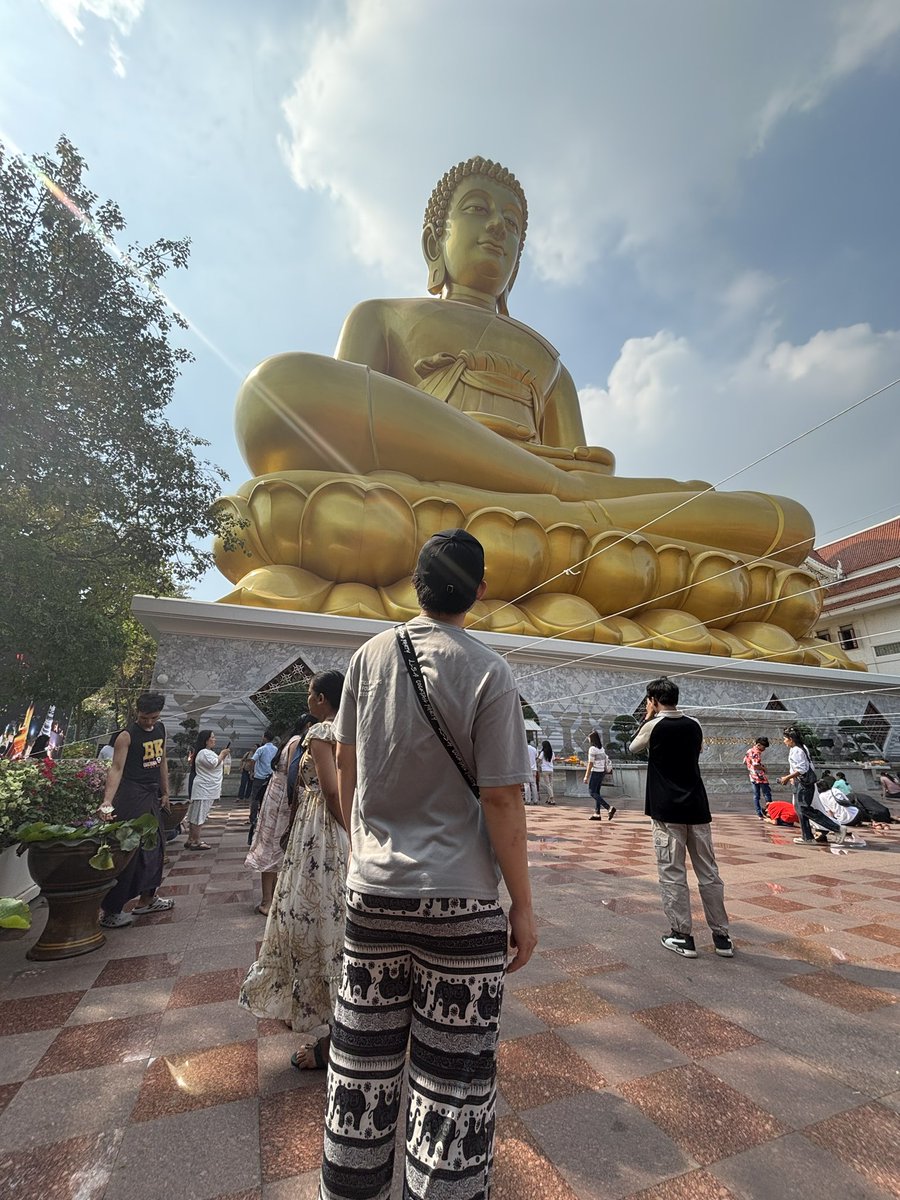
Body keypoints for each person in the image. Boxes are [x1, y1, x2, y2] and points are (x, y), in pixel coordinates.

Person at [213, 157, 844, 670]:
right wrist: (551, 482)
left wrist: (570, 485)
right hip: (415, 489)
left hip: (539, 510)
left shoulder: (550, 363)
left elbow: (584, 459)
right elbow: (337, 435)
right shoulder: (381, 315)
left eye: (513, 223)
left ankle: (562, 501)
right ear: (437, 240)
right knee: (278, 388)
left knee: (783, 521)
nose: (498, 229)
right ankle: (559, 499)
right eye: (479, 210)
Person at [318, 528, 536, 1200]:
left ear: (413, 583)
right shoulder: (490, 669)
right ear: (481, 588)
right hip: (461, 901)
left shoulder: (365, 657)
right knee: (453, 1083)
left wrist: (366, 852)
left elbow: (349, 772)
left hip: (374, 892)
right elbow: (501, 797)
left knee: (360, 1066)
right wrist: (523, 905)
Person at [239, 674, 348, 1067]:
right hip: (336, 830)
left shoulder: (322, 730)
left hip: (319, 830)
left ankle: (331, 1027)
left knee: (310, 916)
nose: (307, 700)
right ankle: (327, 1013)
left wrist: (344, 827)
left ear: (322, 699)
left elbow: (331, 790)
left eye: (309, 694)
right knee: (330, 917)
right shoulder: (355, 727)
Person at [629, 677, 733, 959]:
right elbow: (697, 751)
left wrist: (648, 718)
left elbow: (633, 748)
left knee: (672, 872)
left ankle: (682, 935)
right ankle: (722, 936)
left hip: (666, 809)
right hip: (697, 807)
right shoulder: (695, 724)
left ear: (652, 700)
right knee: (709, 873)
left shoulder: (653, 726)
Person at [99, 692, 174, 928]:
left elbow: (162, 761)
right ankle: (112, 910)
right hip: (132, 794)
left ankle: (148, 899)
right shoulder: (126, 736)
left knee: (156, 847)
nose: (149, 722)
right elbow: (117, 768)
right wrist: (107, 801)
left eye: (153, 717)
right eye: (144, 718)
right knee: (130, 850)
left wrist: (165, 791)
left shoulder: (161, 730)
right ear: (137, 713)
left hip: (152, 794)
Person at [245, 713, 315, 915]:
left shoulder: (289, 740)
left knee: (273, 848)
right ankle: (268, 901)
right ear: (309, 725)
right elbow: (295, 774)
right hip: (283, 800)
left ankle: (272, 898)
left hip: (276, 797)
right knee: (275, 847)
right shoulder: (297, 742)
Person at [779, 726, 842, 847]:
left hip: (804, 783)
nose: (784, 741)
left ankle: (836, 828)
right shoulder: (797, 749)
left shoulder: (798, 750)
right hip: (799, 782)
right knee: (799, 809)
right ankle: (807, 837)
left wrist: (787, 777)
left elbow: (802, 769)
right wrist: (792, 778)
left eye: (785, 739)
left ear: (791, 739)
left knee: (804, 809)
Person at [185, 730, 230, 850]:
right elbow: (213, 764)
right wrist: (222, 754)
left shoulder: (207, 752)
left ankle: (191, 839)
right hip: (204, 789)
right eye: (212, 737)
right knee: (199, 815)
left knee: (196, 815)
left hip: (206, 788)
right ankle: (196, 841)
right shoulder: (204, 752)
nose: (214, 740)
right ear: (206, 740)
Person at [248, 730, 278, 844]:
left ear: (265, 738)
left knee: (255, 798)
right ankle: (265, 818)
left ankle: (253, 819)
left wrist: (251, 772)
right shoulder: (276, 749)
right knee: (267, 797)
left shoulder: (261, 749)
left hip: (259, 777)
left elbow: (252, 760)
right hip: (270, 777)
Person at [585, 731, 615, 821]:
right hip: (602, 772)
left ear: (592, 739)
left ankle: (609, 808)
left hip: (596, 772)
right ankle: (597, 813)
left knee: (592, 792)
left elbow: (590, 763)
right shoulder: (601, 749)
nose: (588, 739)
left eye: (589, 738)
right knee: (597, 793)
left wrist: (586, 776)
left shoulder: (592, 749)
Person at [743, 737, 772, 819]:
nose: (764, 749)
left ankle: (759, 813)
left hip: (752, 776)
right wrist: (764, 768)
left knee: (756, 795)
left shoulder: (749, 751)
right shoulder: (757, 752)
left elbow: (745, 761)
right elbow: (756, 765)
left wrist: (751, 768)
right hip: (760, 777)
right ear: (758, 745)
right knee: (767, 794)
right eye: (764, 747)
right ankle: (770, 811)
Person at [537, 739, 556, 805]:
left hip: (545, 770)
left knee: (548, 785)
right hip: (551, 769)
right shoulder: (552, 752)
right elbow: (553, 760)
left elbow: (539, 760)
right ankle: (549, 799)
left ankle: (552, 799)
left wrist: (537, 763)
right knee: (551, 784)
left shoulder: (542, 753)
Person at [524, 738, 540, 805]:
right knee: (534, 784)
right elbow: (536, 757)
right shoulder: (534, 749)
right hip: (534, 768)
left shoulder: (524, 749)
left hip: (526, 768)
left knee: (527, 784)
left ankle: (528, 800)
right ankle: (535, 800)